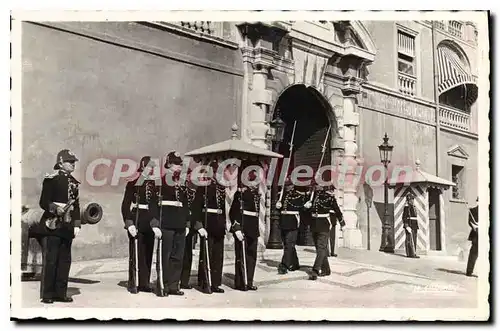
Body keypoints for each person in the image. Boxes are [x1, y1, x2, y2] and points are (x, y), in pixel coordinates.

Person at [38, 149, 81, 304]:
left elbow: (76, 205)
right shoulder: (51, 179)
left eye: (74, 162)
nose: (73, 164)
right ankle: (48, 295)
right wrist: (55, 208)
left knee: (64, 260)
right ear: (61, 162)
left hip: (67, 225)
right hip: (53, 223)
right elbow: (43, 201)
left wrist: (77, 224)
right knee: (51, 260)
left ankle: (60, 293)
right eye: (70, 162)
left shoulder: (74, 183)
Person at [148, 151, 191, 296]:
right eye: (177, 163)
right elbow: (153, 204)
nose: (179, 166)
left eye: (180, 164)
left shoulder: (182, 182)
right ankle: (163, 285)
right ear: (169, 164)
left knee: (178, 256)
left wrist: (187, 224)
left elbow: (185, 204)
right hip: (166, 222)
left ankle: (174, 285)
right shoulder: (160, 182)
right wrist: (154, 224)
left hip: (179, 223)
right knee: (165, 256)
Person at [121, 156, 156, 294]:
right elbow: (125, 206)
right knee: (135, 254)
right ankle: (133, 283)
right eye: (149, 167)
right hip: (136, 219)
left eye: (152, 167)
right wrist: (129, 223)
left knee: (148, 253)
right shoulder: (133, 183)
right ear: (142, 167)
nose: (152, 170)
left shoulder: (155, 186)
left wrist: (156, 224)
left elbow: (156, 207)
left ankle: (144, 283)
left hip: (150, 222)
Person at [304, 180, 342, 280]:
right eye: (315, 185)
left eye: (318, 185)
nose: (316, 187)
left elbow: (337, 210)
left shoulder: (329, 197)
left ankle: (315, 270)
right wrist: (306, 207)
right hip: (314, 224)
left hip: (324, 224)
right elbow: (306, 211)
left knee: (321, 248)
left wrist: (342, 223)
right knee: (320, 248)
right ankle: (326, 269)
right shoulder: (310, 197)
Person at [229, 170, 260, 291]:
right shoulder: (240, 193)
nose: (256, 184)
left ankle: (249, 281)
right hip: (243, 228)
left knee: (252, 256)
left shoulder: (256, 194)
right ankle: (241, 282)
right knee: (241, 256)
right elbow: (233, 212)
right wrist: (236, 228)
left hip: (253, 229)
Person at [180, 169, 206, 290]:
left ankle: (184, 281)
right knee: (178, 253)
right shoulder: (180, 189)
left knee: (187, 254)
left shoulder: (195, 190)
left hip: (190, 226)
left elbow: (196, 210)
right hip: (180, 223)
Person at [276, 177, 305, 274]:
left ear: (292, 186)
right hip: (283, 222)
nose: (287, 187)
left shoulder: (298, 195)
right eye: (286, 185)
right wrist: (278, 207)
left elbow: (301, 208)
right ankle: (295, 263)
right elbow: (280, 209)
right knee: (288, 245)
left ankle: (284, 265)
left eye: (289, 185)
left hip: (293, 222)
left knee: (289, 244)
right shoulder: (281, 196)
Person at [326, 184, 345, 257]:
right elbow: (337, 210)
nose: (333, 191)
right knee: (332, 237)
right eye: (332, 190)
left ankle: (327, 251)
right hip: (332, 219)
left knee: (326, 236)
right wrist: (342, 222)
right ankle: (332, 252)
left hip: (326, 219)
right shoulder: (332, 199)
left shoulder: (323, 198)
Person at [403, 192, 419, 258]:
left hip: (414, 225)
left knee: (414, 240)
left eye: (413, 199)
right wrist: (406, 226)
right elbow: (404, 217)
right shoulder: (406, 208)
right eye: (411, 200)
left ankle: (413, 253)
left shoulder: (413, 207)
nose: (412, 201)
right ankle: (409, 254)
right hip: (409, 225)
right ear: (408, 200)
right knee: (409, 240)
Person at [466, 197, 479, 277]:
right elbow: (470, 222)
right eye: (478, 201)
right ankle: (469, 271)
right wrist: (475, 226)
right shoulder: (472, 210)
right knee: (473, 253)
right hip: (476, 235)